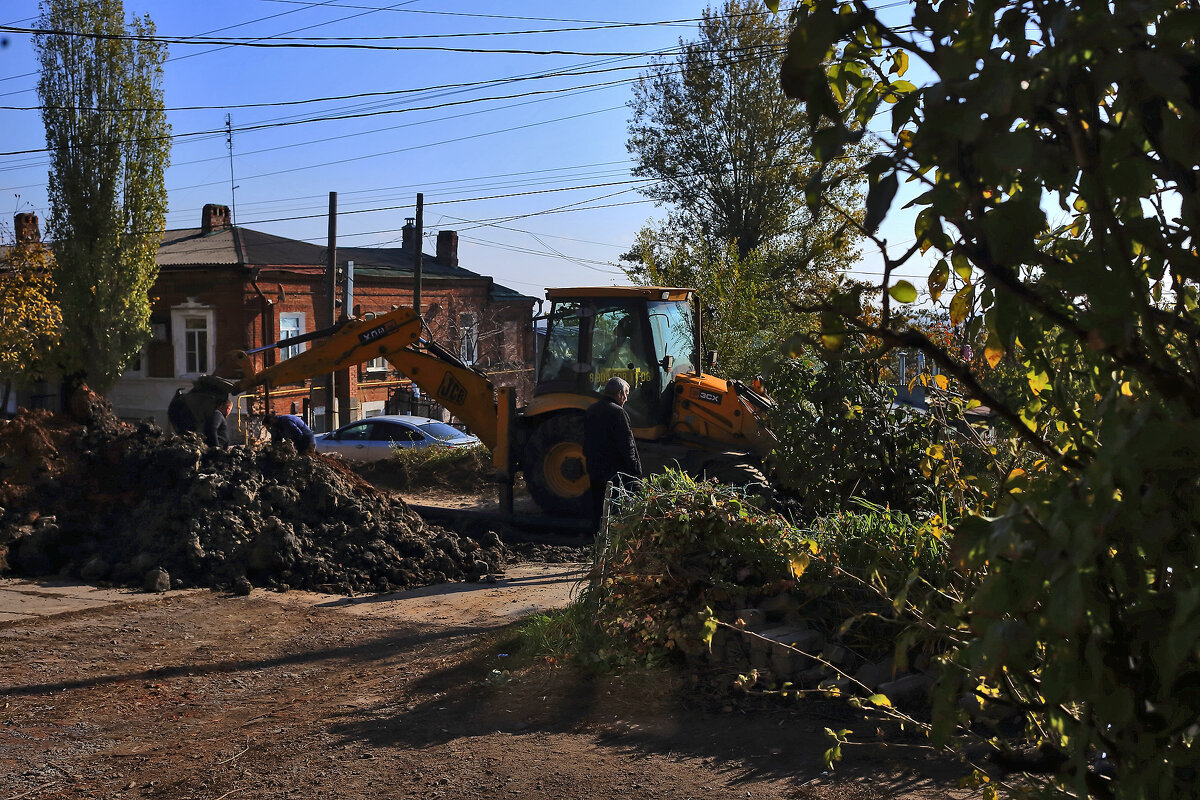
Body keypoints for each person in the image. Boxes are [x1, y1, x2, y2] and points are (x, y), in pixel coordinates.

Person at [583, 376, 642, 533]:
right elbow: (627, 445)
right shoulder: (618, 413)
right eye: (627, 394)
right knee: (613, 509)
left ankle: (596, 538)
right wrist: (635, 469)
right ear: (620, 393)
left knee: (598, 508)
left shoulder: (591, 410)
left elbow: (586, 440)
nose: (627, 399)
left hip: (595, 469)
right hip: (614, 472)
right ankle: (608, 540)